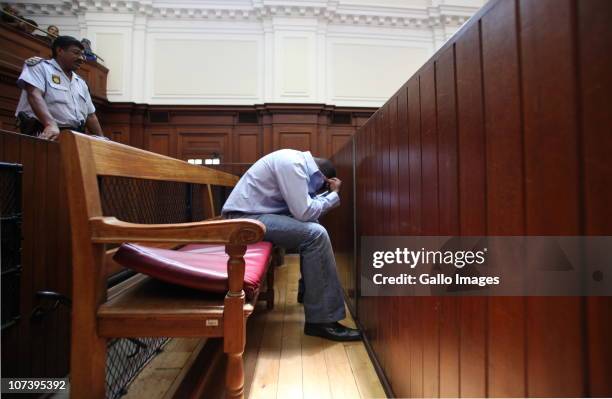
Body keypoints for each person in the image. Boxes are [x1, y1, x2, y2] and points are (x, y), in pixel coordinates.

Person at [222, 149, 361, 341]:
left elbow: (306, 207)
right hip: (242, 221)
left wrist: (326, 197)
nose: (315, 191)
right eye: (320, 188)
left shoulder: (296, 163)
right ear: (322, 178)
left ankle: (309, 292)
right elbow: (304, 211)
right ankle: (322, 322)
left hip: (252, 215)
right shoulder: (292, 165)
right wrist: (333, 195)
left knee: (313, 227)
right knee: (315, 234)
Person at [14, 35, 105, 140]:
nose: (81, 58)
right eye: (76, 53)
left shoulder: (80, 82)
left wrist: (101, 139)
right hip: (44, 134)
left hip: (74, 137)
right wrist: (50, 124)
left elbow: (90, 115)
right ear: (60, 51)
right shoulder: (40, 68)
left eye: (82, 55)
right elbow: (34, 94)